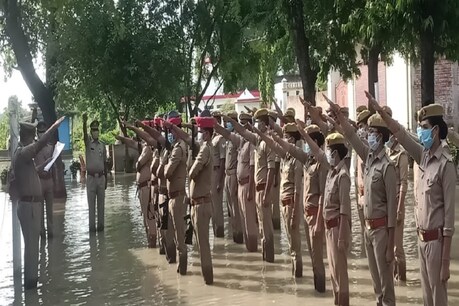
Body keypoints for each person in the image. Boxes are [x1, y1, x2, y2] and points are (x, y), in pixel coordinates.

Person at [367, 94, 455, 306]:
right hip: (421, 239)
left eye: (424, 126)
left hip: (437, 242)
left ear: (435, 131)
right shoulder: (422, 157)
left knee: (438, 298)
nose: (420, 131)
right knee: (426, 299)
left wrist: (445, 261)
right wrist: (381, 113)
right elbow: (401, 134)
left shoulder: (446, 165)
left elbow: (450, 219)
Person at [327, 98, 397, 306]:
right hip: (368, 229)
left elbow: (392, 209)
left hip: (382, 230)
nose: (369, 135)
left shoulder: (387, 166)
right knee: (376, 286)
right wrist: (339, 115)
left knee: (386, 287)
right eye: (369, 132)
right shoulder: (368, 157)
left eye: (374, 133)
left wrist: (391, 243)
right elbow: (351, 135)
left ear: (382, 136)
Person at [299, 127, 351, 306]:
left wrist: (343, 237)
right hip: (329, 227)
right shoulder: (331, 171)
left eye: (329, 150)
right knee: (333, 272)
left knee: (340, 273)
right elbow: (317, 152)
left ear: (335, 152)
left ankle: (343, 301)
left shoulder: (343, 176)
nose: (326, 153)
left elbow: (344, 209)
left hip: (338, 228)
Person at [13, 117, 65, 289]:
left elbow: (30, 171)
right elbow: (39, 144)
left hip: (30, 206)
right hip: (29, 207)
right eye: (34, 134)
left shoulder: (22, 154)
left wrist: (43, 165)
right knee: (32, 250)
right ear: (29, 135)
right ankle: (31, 285)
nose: (36, 136)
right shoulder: (23, 152)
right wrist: (54, 127)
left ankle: (31, 286)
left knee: (33, 249)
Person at [279, 124, 327, 291]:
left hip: (316, 215)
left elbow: (322, 195)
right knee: (313, 256)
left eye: (308, 139)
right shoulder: (308, 160)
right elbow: (292, 149)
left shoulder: (322, 161)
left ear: (314, 141)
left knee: (318, 257)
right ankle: (317, 291)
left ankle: (321, 289)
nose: (305, 143)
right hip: (307, 214)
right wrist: (276, 137)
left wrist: (320, 221)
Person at [253, 123, 303, 277]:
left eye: (287, 137)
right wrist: (263, 134)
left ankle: (298, 274)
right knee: (290, 243)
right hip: (284, 204)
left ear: (293, 140)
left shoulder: (297, 160)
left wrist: (295, 214)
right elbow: (273, 145)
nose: (284, 139)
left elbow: (298, 190)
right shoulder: (285, 157)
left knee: (295, 244)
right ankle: (295, 275)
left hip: (291, 205)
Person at [226, 108, 276, 262]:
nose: (257, 124)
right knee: (260, 225)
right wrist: (230, 121)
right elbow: (241, 131)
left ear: (266, 124)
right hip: (255, 188)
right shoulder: (257, 140)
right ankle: (263, 259)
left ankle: (269, 258)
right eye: (257, 122)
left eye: (260, 122)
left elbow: (271, 170)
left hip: (261, 189)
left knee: (266, 227)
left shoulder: (269, 143)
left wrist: (267, 194)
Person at [217, 113, 258, 251]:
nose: (241, 126)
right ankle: (244, 245)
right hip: (238, 182)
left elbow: (252, 169)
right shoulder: (240, 141)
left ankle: (252, 248)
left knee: (249, 219)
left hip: (246, 183)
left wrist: (251, 190)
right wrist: (213, 124)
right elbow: (226, 133)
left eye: (243, 123)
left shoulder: (252, 143)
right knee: (239, 214)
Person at [383, 106, 409, 282]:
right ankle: (392, 279)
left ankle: (403, 280)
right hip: (384, 204)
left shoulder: (401, 153)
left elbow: (404, 182)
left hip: (397, 203)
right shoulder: (384, 151)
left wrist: (399, 209)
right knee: (387, 245)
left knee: (397, 248)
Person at [189, 116, 215, 285]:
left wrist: (191, 157)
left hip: (202, 204)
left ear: (206, 133)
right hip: (202, 202)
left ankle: (208, 281)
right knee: (202, 245)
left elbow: (191, 172)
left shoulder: (205, 149)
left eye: (200, 132)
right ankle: (207, 280)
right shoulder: (207, 147)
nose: (199, 135)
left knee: (203, 247)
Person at [162, 111, 188, 275]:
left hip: (178, 198)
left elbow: (167, 173)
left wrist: (163, 164)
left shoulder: (178, 149)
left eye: (171, 131)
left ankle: (183, 270)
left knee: (180, 238)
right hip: (173, 197)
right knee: (171, 233)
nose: (169, 134)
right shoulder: (174, 148)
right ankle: (178, 267)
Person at [219, 111, 243, 243]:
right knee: (230, 207)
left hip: (234, 174)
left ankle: (239, 235)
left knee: (235, 207)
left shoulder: (237, 138)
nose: (226, 124)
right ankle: (235, 235)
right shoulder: (228, 140)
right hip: (227, 175)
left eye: (229, 121)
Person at [83, 114, 108, 232]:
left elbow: (105, 163)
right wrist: (84, 122)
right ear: (90, 131)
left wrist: (106, 179)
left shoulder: (102, 145)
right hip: (91, 178)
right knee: (91, 207)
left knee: (101, 206)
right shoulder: (88, 144)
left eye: (97, 129)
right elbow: (84, 136)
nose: (95, 132)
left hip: (101, 178)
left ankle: (101, 229)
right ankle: (92, 231)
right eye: (93, 130)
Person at [355, 109, 371, 257]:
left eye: (362, 126)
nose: (360, 129)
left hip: (370, 196)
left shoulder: (370, 149)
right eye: (358, 126)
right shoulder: (359, 146)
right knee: (364, 231)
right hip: (360, 193)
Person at [35, 121, 55, 239]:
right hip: (39, 181)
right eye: (40, 132)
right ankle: (42, 234)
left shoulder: (51, 147)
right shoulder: (34, 147)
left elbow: (54, 165)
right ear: (37, 133)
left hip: (49, 181)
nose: (42, 134)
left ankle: (51, 234)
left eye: (44, 132)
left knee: (50, 211)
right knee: (40, 211)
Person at [210, 111, 226, 238]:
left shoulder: (221, 138)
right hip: (210, 173)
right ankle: (215, 235)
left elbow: (222, 160)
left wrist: (220, 181)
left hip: (216, 172)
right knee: (211, 206)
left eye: (214, 120)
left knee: (217, 206)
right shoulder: (212, 137)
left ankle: (219, 232)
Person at [268, 110, 281, 230]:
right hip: (268, 170)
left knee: (275, 204)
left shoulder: (277, 132)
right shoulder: (267, 133)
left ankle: (276, 226)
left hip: (275, 170)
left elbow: (277, 157)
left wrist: (276, 175)